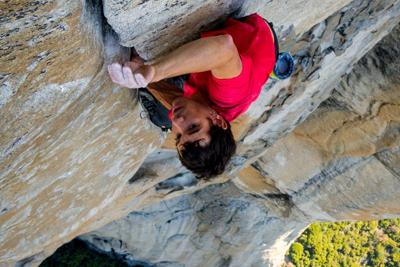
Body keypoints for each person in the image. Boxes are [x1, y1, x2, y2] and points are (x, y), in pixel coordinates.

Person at [108, 14, 278, 179]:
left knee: (166, 116)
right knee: (164, 111)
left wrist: (141, 74)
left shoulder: (200, 114)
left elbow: (173, 100)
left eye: (179, 137)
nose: (178, 122)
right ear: (217, 120)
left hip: (235, 71)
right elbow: (223, 47)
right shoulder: (230, 95)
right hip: (252, 33)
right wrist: (155, 71)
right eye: (192, 128)